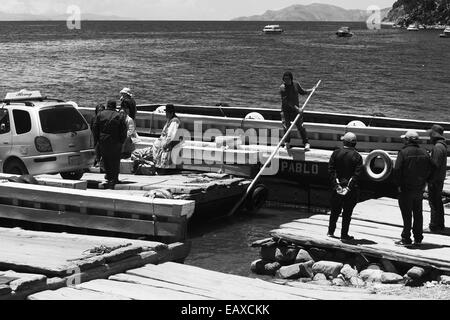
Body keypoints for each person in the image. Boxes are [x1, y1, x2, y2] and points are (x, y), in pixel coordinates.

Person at [393, 130, 433, 246]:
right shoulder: (424, 152)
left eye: (404, 139)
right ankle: (418, 238)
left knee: (407, 215)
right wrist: (426, 181)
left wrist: (399, 185)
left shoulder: (403, 152)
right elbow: (433, 168)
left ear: (407, 140)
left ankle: (406, 238)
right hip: (419, 188)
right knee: (418, 214)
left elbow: (397, 170)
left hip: (406, 189)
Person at [327, 132, 363, 241]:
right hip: (350, 190)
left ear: (344, 142)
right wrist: (348, 188)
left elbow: (331, 171)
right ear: (355, 144)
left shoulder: (336, 153)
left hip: (337, 187)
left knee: (334, 211)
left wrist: (336, 185)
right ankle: (344, 235)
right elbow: (357, 175)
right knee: (347, 213)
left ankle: (330, 231)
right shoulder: (357, 156)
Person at [92, 100, 127, 189]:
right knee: (115, 161)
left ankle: (109, 176)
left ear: (107, 105)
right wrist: (121, 141)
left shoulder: (100, 115)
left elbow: (95, 129)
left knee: (106, 159)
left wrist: (95, 141)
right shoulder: (118, 115)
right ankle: (114, 178)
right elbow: (123, 130)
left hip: (103, 141)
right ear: (115, 106)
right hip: (115, 141)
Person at [279, 71, 313, 151]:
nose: (285, 81)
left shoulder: (296, 84)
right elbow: (287, 101)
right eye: (284, 79)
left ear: (291, 79)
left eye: (287, 79)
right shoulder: (282, 87)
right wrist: (297, 109)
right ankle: (287, 143)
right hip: (286, 111)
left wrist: (311, 90)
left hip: (295, 111)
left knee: (300, 127)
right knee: (287, 127)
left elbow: (302, 92)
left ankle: (306, 143)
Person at [427, 124, 447, 232]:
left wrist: (429, 178)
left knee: (433, 202)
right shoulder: (442, 146)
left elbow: (435, 165)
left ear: (434, 135)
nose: (430, 137)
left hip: (435, 179)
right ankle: (440, 225)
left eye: (431, 135)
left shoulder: (438, 147)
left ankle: (434, 226)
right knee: (438, 201)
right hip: (439, 178)